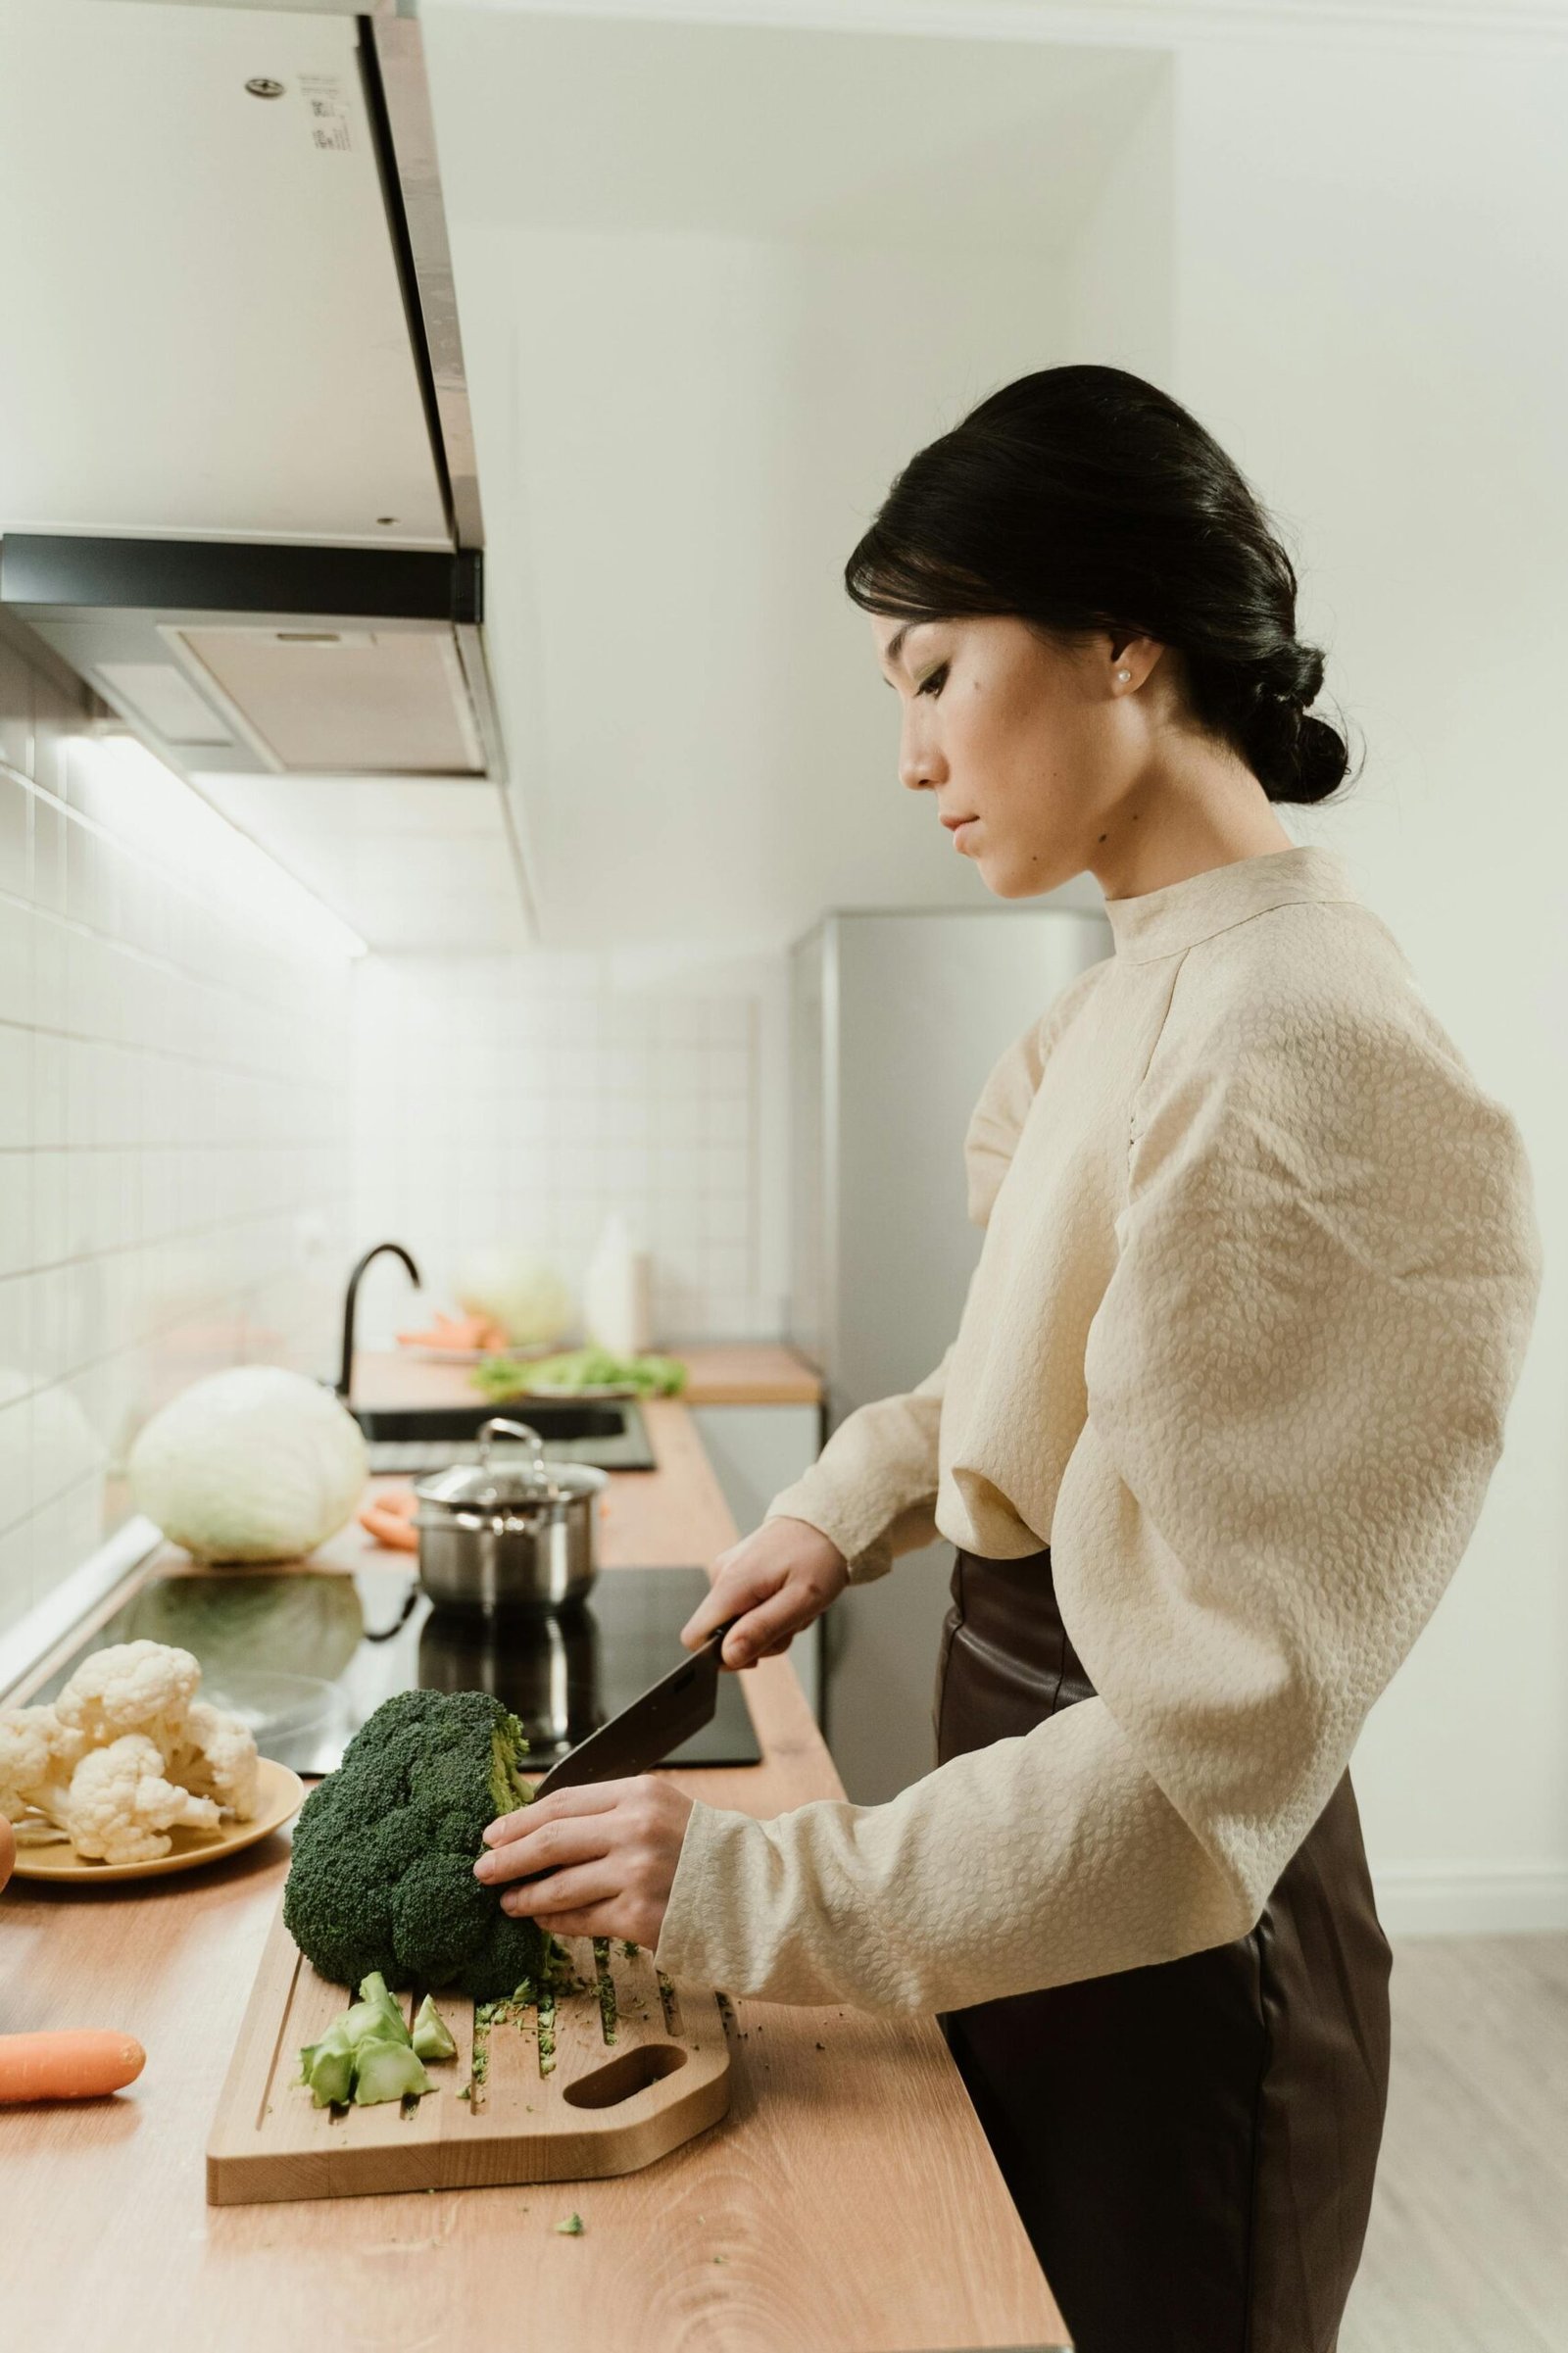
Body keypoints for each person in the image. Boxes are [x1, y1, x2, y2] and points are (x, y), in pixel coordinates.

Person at [475, 365, 1543, 2352]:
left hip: (1172, 1917)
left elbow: (1185, 1770)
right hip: (1044, 1851)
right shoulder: (1146, 991)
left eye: (932, 667)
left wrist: (739, 1888)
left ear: (1123, 639)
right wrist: (841, 1501)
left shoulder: (1305, 1056)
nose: (907, 752)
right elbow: (1025, 1375)